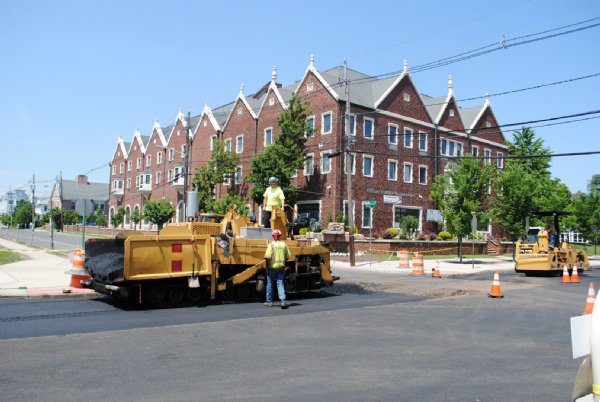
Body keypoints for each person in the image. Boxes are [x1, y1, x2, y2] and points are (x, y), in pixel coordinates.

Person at [264, 229, 290, 309]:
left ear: (273, 236)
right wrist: (283, 263)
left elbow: (267, 257)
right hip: (281, 268)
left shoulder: (271, 245)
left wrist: (267, 267)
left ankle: (269, 302)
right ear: (280, 236)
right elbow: (288, 256)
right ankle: (283, 301)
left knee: (270, 285)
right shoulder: (284, 244)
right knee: (280, 284)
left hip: (272, 268)